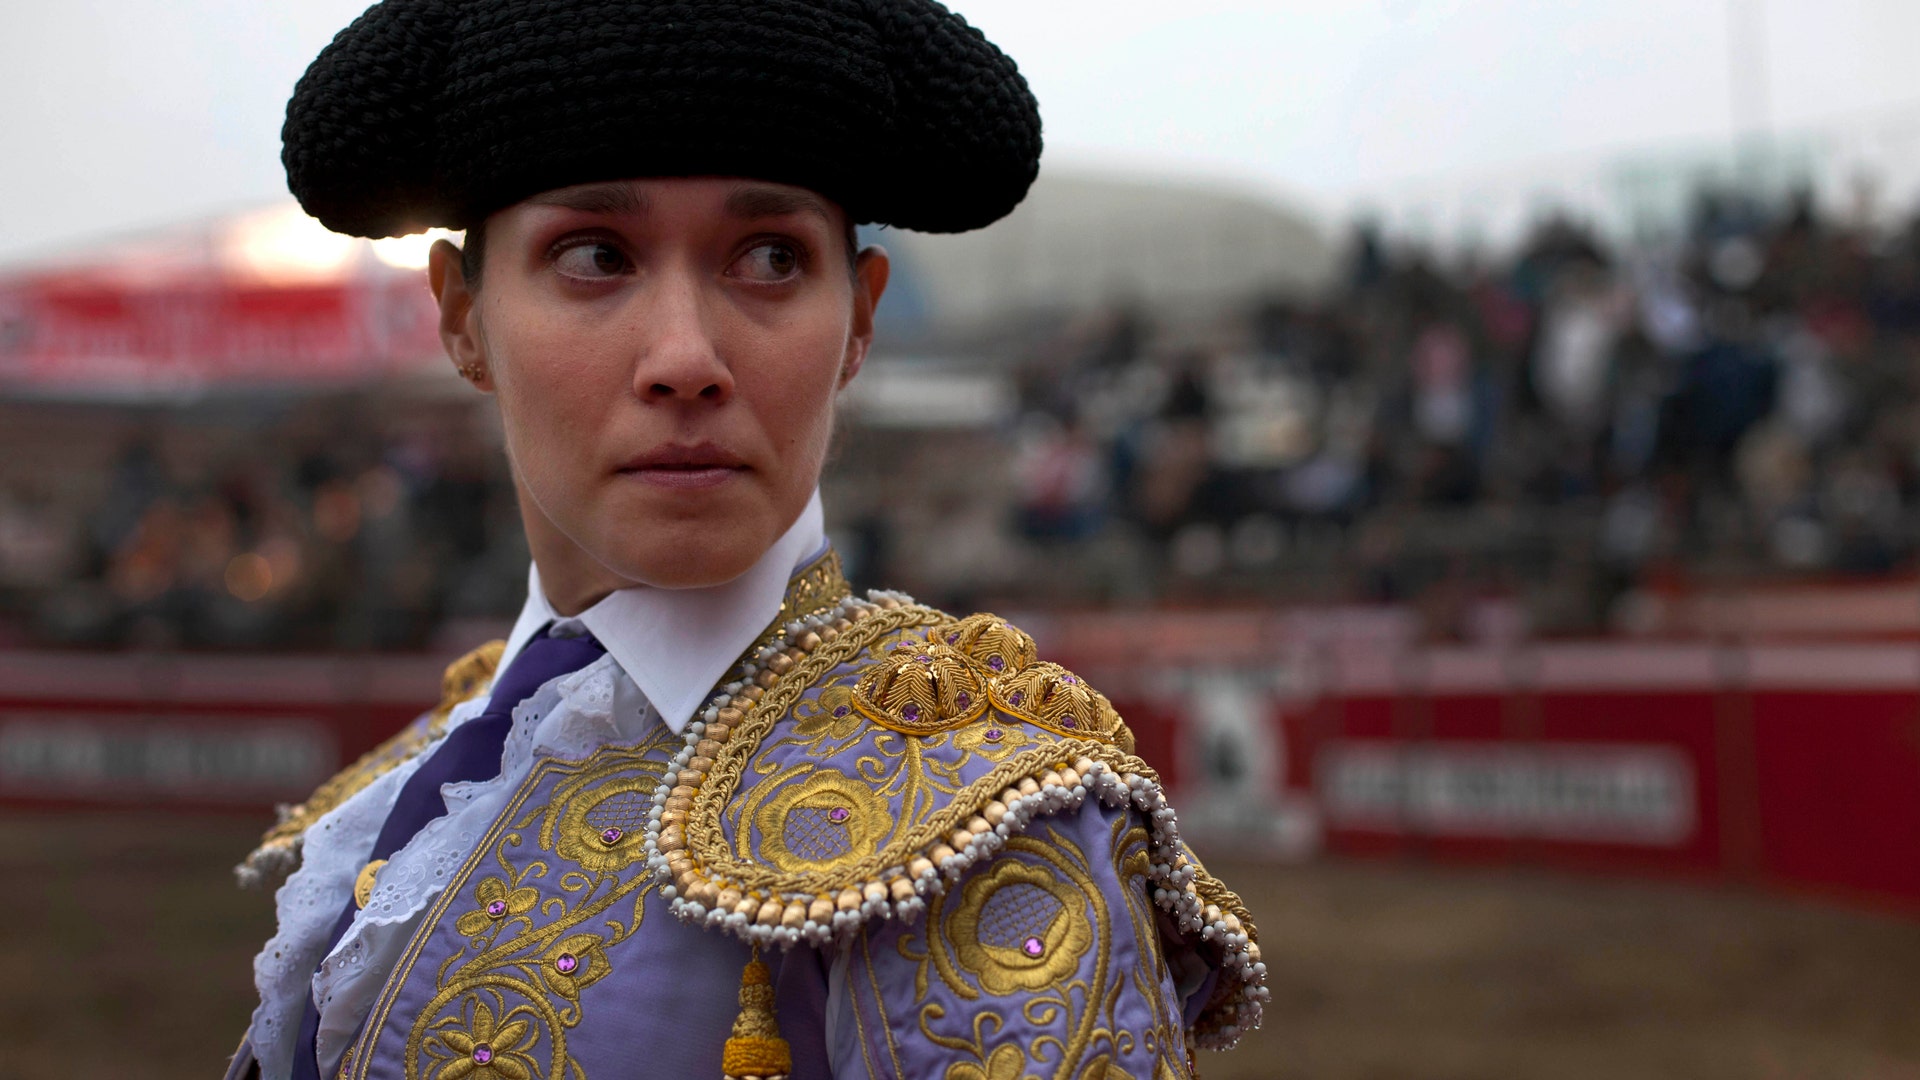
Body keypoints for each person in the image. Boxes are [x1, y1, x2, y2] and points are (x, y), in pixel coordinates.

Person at [228, 2, 1267, 1077]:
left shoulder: (988, 830)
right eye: (594, 255)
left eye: (770, 258)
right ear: (460, 315)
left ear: (859, 321)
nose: (686, 357)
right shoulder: (437, 764)